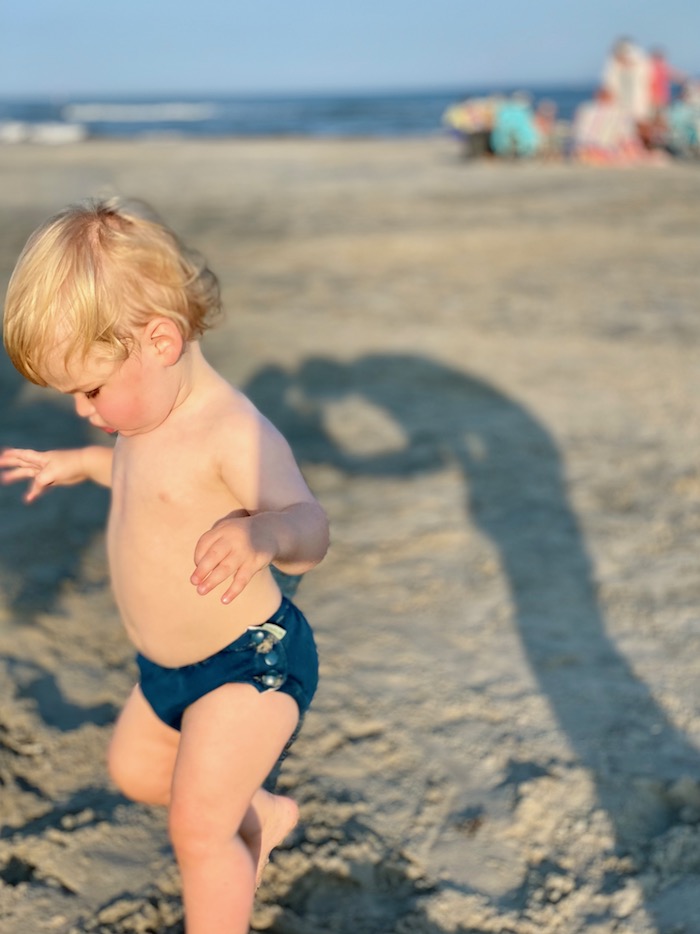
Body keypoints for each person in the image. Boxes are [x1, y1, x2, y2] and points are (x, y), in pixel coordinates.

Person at [0, 198, 330, 934]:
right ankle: (263, 811)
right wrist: (79, 463)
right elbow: (144, 477)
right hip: (165, 670)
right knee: (137, 774)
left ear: (161, 340)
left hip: (250, 663)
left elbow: (312, 527)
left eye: (89, 389)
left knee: (198, 833)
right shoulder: (145, 412)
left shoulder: (233, 431)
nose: (85, 409)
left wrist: (265, 537)